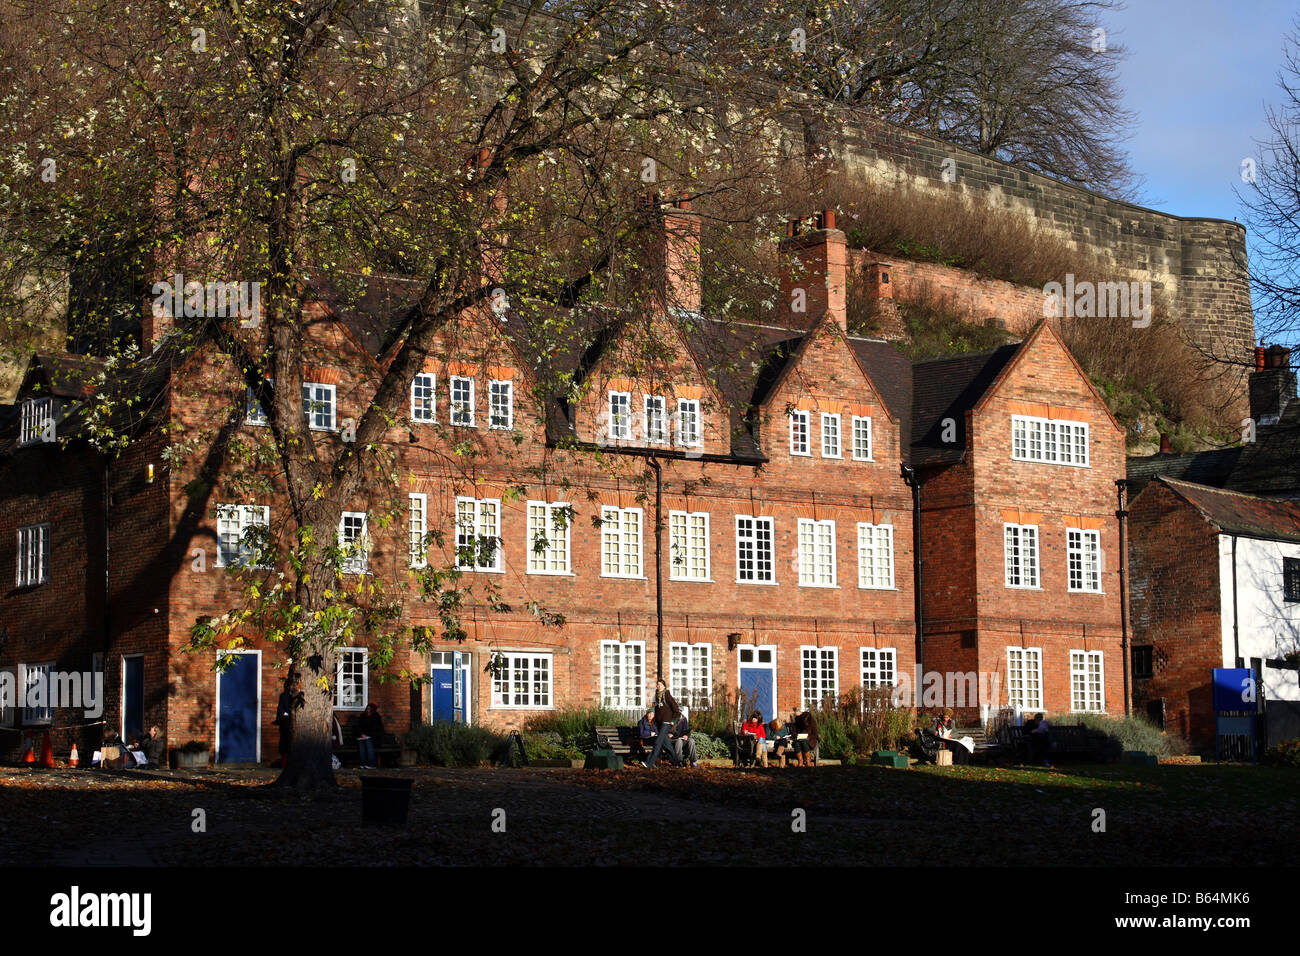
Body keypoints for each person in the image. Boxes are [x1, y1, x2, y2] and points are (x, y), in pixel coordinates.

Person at [644, 679, 682, 768]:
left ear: (664, 686)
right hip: (660, 724)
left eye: (661, 685)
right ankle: (677, 763)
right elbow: (657, 711)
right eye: (658, 685)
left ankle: (649, 763)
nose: (659, 686)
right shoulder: (657, 697)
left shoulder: (667, 695)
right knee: (667, 745)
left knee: (658, 742)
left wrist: (672, 721)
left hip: (666, 723)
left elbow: (676, 710)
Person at [274, 673, 297, 767]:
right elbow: (281, 709)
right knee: (285, 742)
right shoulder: (284, 696)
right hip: (286, 722)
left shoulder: (296, 695)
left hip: (292, 722)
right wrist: (286, 714)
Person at [356, 702, 384, 769]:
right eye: (367, 709)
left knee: (368, 742)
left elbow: (376, 729)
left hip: (374, 738)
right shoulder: (362, 716)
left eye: (370, 709)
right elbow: (358, 727)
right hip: (363, 737)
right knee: (361, 743)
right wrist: (361, 734)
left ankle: (372, 764)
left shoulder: (376, 717)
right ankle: (363, 763)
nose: (368, 710)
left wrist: (368, 735)